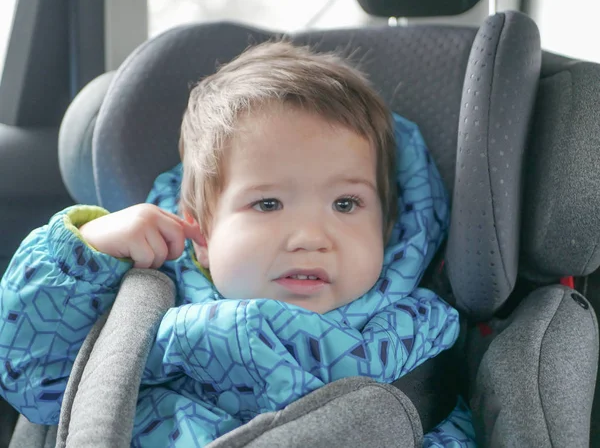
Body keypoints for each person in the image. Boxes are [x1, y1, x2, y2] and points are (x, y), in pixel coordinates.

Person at [0, 41, 475, 447]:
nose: (310, 237)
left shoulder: (416, 336)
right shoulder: (147, 314)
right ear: (202, 236)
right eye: (268, 204)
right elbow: (33, 378)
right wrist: (85, 255)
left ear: (388, 229)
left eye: (346, 204)